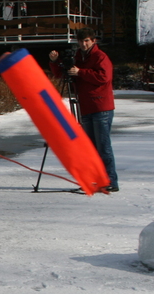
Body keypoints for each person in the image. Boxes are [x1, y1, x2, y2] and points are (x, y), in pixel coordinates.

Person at [49, 28, 118, 192]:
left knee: (103, 146)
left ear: (93, 41)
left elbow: (104, 77)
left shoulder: (100, 57)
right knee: (91, 148)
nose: (84, 44)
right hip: (85, 107)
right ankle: (95, 179)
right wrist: (55, 61)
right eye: (81, 41)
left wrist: (81, 72)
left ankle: (111, 181)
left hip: (101, 107)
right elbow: (62, 74)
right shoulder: (78, 57)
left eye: (87, 40)